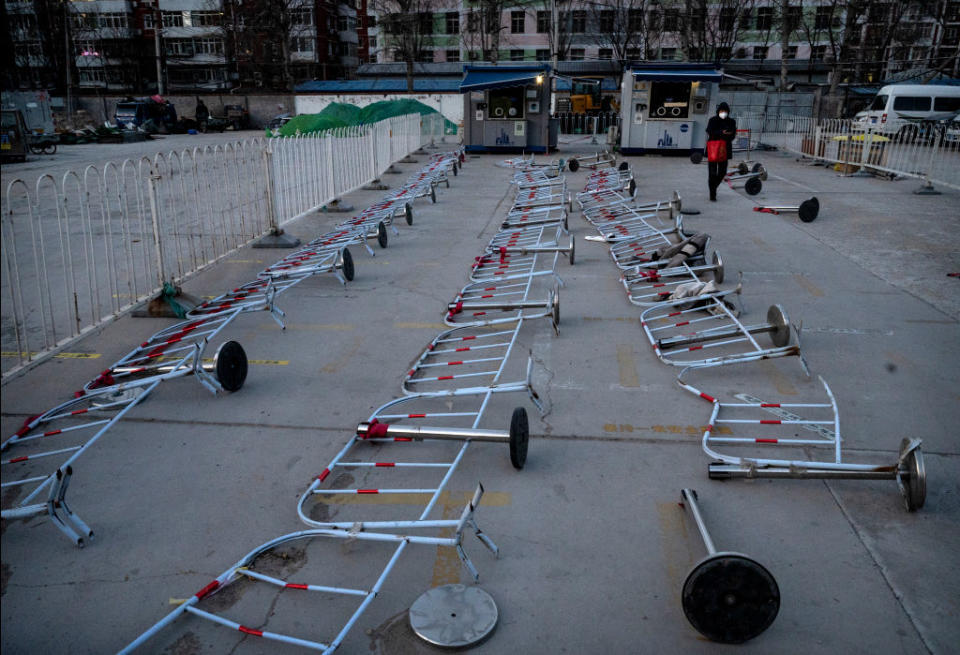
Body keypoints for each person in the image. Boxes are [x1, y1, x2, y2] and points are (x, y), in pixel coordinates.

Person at [705, 102, 736, 201]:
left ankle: (713, 187)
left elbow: (733, 135)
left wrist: (727, 134)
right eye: (722, 111)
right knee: (712, 173)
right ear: (718, 111)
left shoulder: (731, 121)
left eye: (725, 111)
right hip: (713, 148)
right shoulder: (713, 120)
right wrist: (721, 133)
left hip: (725, 149)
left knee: (722, 172)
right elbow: (709, 131)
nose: (724, 113)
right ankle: (712, 194)